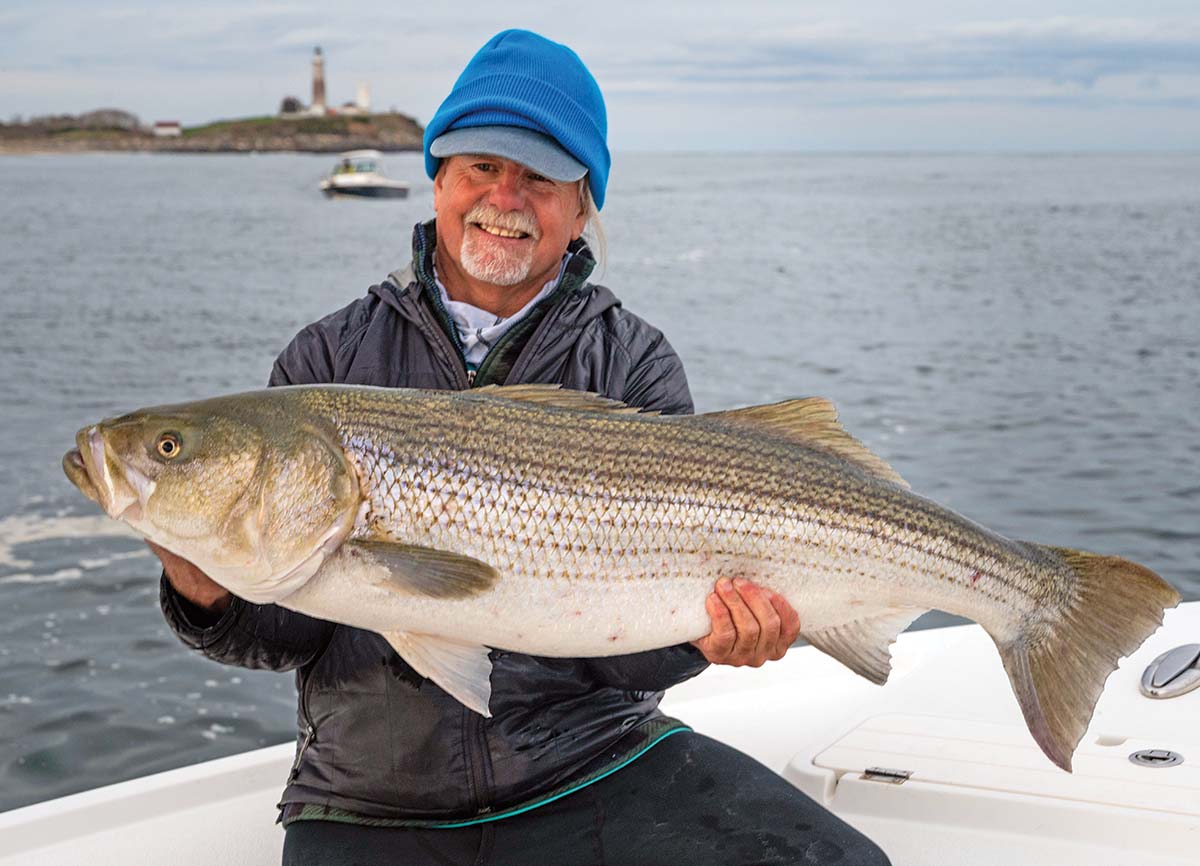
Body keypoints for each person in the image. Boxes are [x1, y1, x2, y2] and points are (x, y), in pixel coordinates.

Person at [155, 29, 891, 866]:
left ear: (582, 206)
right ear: (438, 178)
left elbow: (631, 663)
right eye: (481, 167)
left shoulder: (631, 360)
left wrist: (705, 638)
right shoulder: (325, 364)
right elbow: (283, 637)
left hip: (593, 765)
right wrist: (202, 588)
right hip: (367, 796)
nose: (504, 198)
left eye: (539, 177)